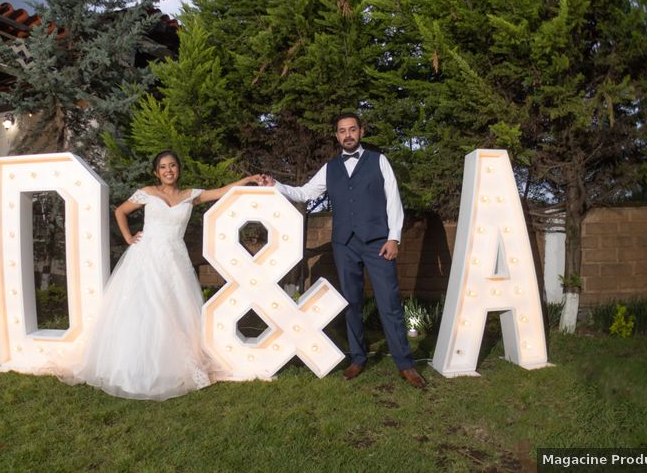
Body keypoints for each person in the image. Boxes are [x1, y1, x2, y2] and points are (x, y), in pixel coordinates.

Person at [69, 151, 261, 400]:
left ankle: (170, 366)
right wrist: (128, 237)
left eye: (172, 165)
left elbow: (221, 191)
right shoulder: (148, 193)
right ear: (156, 172)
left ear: (178, 169)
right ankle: (131, 367)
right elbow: (121, 211)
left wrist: (245, 181)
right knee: (144, 311)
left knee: (173, 311)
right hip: (145, 257)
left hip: (174, 261)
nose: (168, 170)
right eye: (163, 167)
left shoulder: (190, 196)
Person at [262, 113, 426, 388]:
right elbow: (304, 193)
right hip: (344, 244)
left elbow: (394, 200)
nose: (347, 134)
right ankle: (358, 358)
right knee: (351, 303)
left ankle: (405, 364)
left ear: (361, 131)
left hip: (377, 242)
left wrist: (393, 238)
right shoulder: (330, 168)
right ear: (337, 135)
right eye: (342, 131)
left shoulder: (379, 161)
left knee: (389, 303)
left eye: (352, 129)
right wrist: (275, 186)